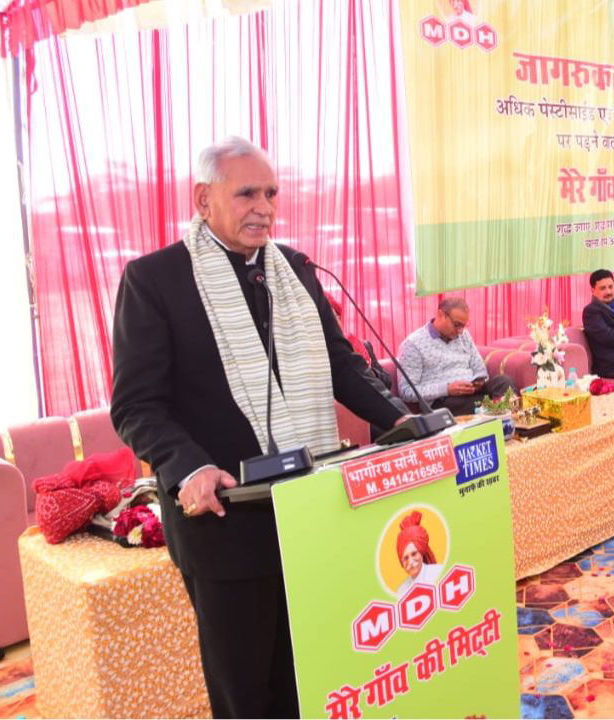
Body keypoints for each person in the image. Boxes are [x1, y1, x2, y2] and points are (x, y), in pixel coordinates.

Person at [110, 137, 412, 718]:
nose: (265, 207)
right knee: (248, 689)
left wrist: (402, 419)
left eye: (271, 192)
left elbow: (340, 363)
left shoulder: (293, 268)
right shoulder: (155, 280)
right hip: (227, 519)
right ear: (203, 199)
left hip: (312, 508)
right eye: (246, 192)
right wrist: (189, 466)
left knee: (319, 670)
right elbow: (136, 405)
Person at [397, 297, 515, 416]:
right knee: (476, 404)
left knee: (504, 382)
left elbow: (479, 367)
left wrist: (479, 380)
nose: (460, 331)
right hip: (444, 401)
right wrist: (447, 389)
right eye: (457, 325)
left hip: (471, 392)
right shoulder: (413, 344)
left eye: (464, 326)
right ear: (440, 314)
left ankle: (500, 418)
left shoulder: (463, 335)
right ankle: (497, 417)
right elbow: (406, 391)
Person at [394, 511, 443, 596]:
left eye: (414, 554)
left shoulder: (439, 572)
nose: (411, 562)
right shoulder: (401, 591)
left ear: (421, 553)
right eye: (405, 558)